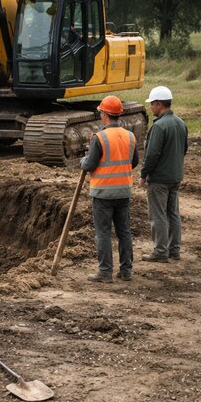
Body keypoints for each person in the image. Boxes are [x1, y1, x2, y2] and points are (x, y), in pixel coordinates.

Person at [80, 95, 139, 283]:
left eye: (100, 113)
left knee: (103, 232)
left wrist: (83, 160)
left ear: (104, 114)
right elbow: (134, 162)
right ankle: (126, 271)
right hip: (123, 191)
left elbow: (89, 165)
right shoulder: (130, 136)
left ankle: (105, 272)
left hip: (103, 193)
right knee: (124, 231)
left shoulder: (100, 137)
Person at [139, 86, 188, 261]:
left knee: (158, 214)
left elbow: (152, 154)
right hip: (175, 176)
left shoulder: (159, 126)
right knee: (173, 213)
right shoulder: (181, 123)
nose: (151, 107)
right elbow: (184, 149)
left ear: (159, 104)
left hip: (159, 179)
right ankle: (174, 250)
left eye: (152, 104)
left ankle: (160, 251)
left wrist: (144, 175)